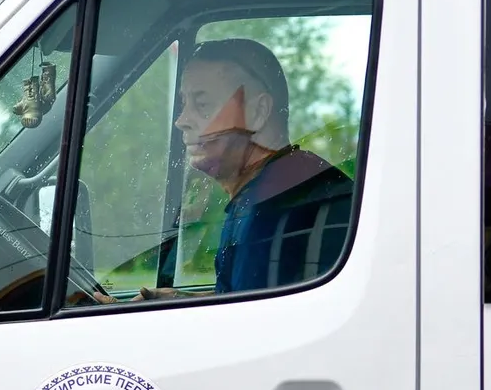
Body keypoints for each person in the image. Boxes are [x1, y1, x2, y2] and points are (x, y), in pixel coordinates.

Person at [144, 37, 353, 298]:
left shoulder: (276, 207)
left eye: (203, 104)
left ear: (258, 111)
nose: (181, 121)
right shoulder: (288, 183)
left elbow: (248, 323)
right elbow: (248, 299)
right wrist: (178, 300)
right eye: (185, 103)